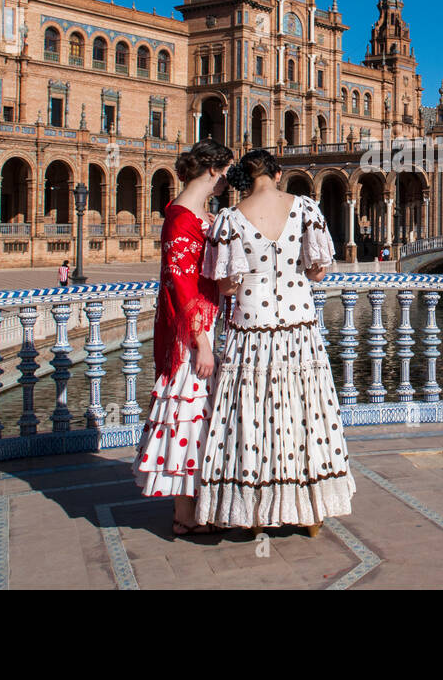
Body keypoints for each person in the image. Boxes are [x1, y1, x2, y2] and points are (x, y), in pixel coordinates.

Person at [197, 149, 353, 534]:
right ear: (278, 174)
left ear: (246, 179)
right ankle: (311, 512)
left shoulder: (230, 219)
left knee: (253, 416)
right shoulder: (306, 208)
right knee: (304, 414)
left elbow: (227, 284)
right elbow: (318, 273)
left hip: (251, 328)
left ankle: (252, 513)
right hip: (299, 329)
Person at [132, 139, 233, 536]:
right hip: (187, 332)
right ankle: (184, 515)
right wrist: (201, 342)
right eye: (224, 174)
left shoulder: (201, 214)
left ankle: (197, 505)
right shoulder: (179, 217)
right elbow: (180, 283)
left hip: (205, 322)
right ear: (212, 171)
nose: (226, 181)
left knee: (200, 415)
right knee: (186, 413)